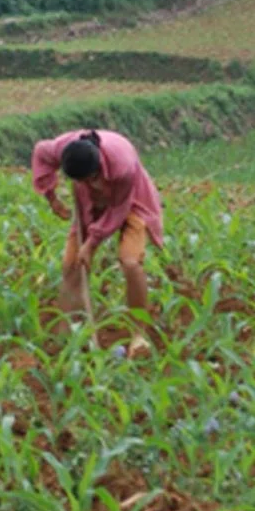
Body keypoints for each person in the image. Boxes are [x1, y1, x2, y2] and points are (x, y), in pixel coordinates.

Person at [32, 129, 164, 354]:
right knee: (71, 266)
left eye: (92, 179)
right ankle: (70, 335)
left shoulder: (122, 166)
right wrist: (51, 197)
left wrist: (91, 244)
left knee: (130, 261)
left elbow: (118, 210)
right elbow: (39, 152)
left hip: (130, 202)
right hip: (89, 205)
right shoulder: (62, 148)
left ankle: (138, 334)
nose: (92, 184)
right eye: (82, 181)